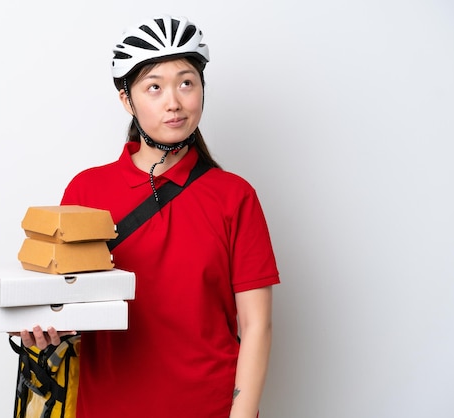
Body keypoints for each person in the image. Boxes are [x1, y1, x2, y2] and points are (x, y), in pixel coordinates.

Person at [20, 15, 280, 418]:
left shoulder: (234, 196)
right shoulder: (86, 192)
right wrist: (40, 332)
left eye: (186, 82)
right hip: (107, 408)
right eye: (154, 87)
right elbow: (61, 307)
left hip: (208, 408)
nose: (173, 101)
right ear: (127, 99)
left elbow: (257, 326)